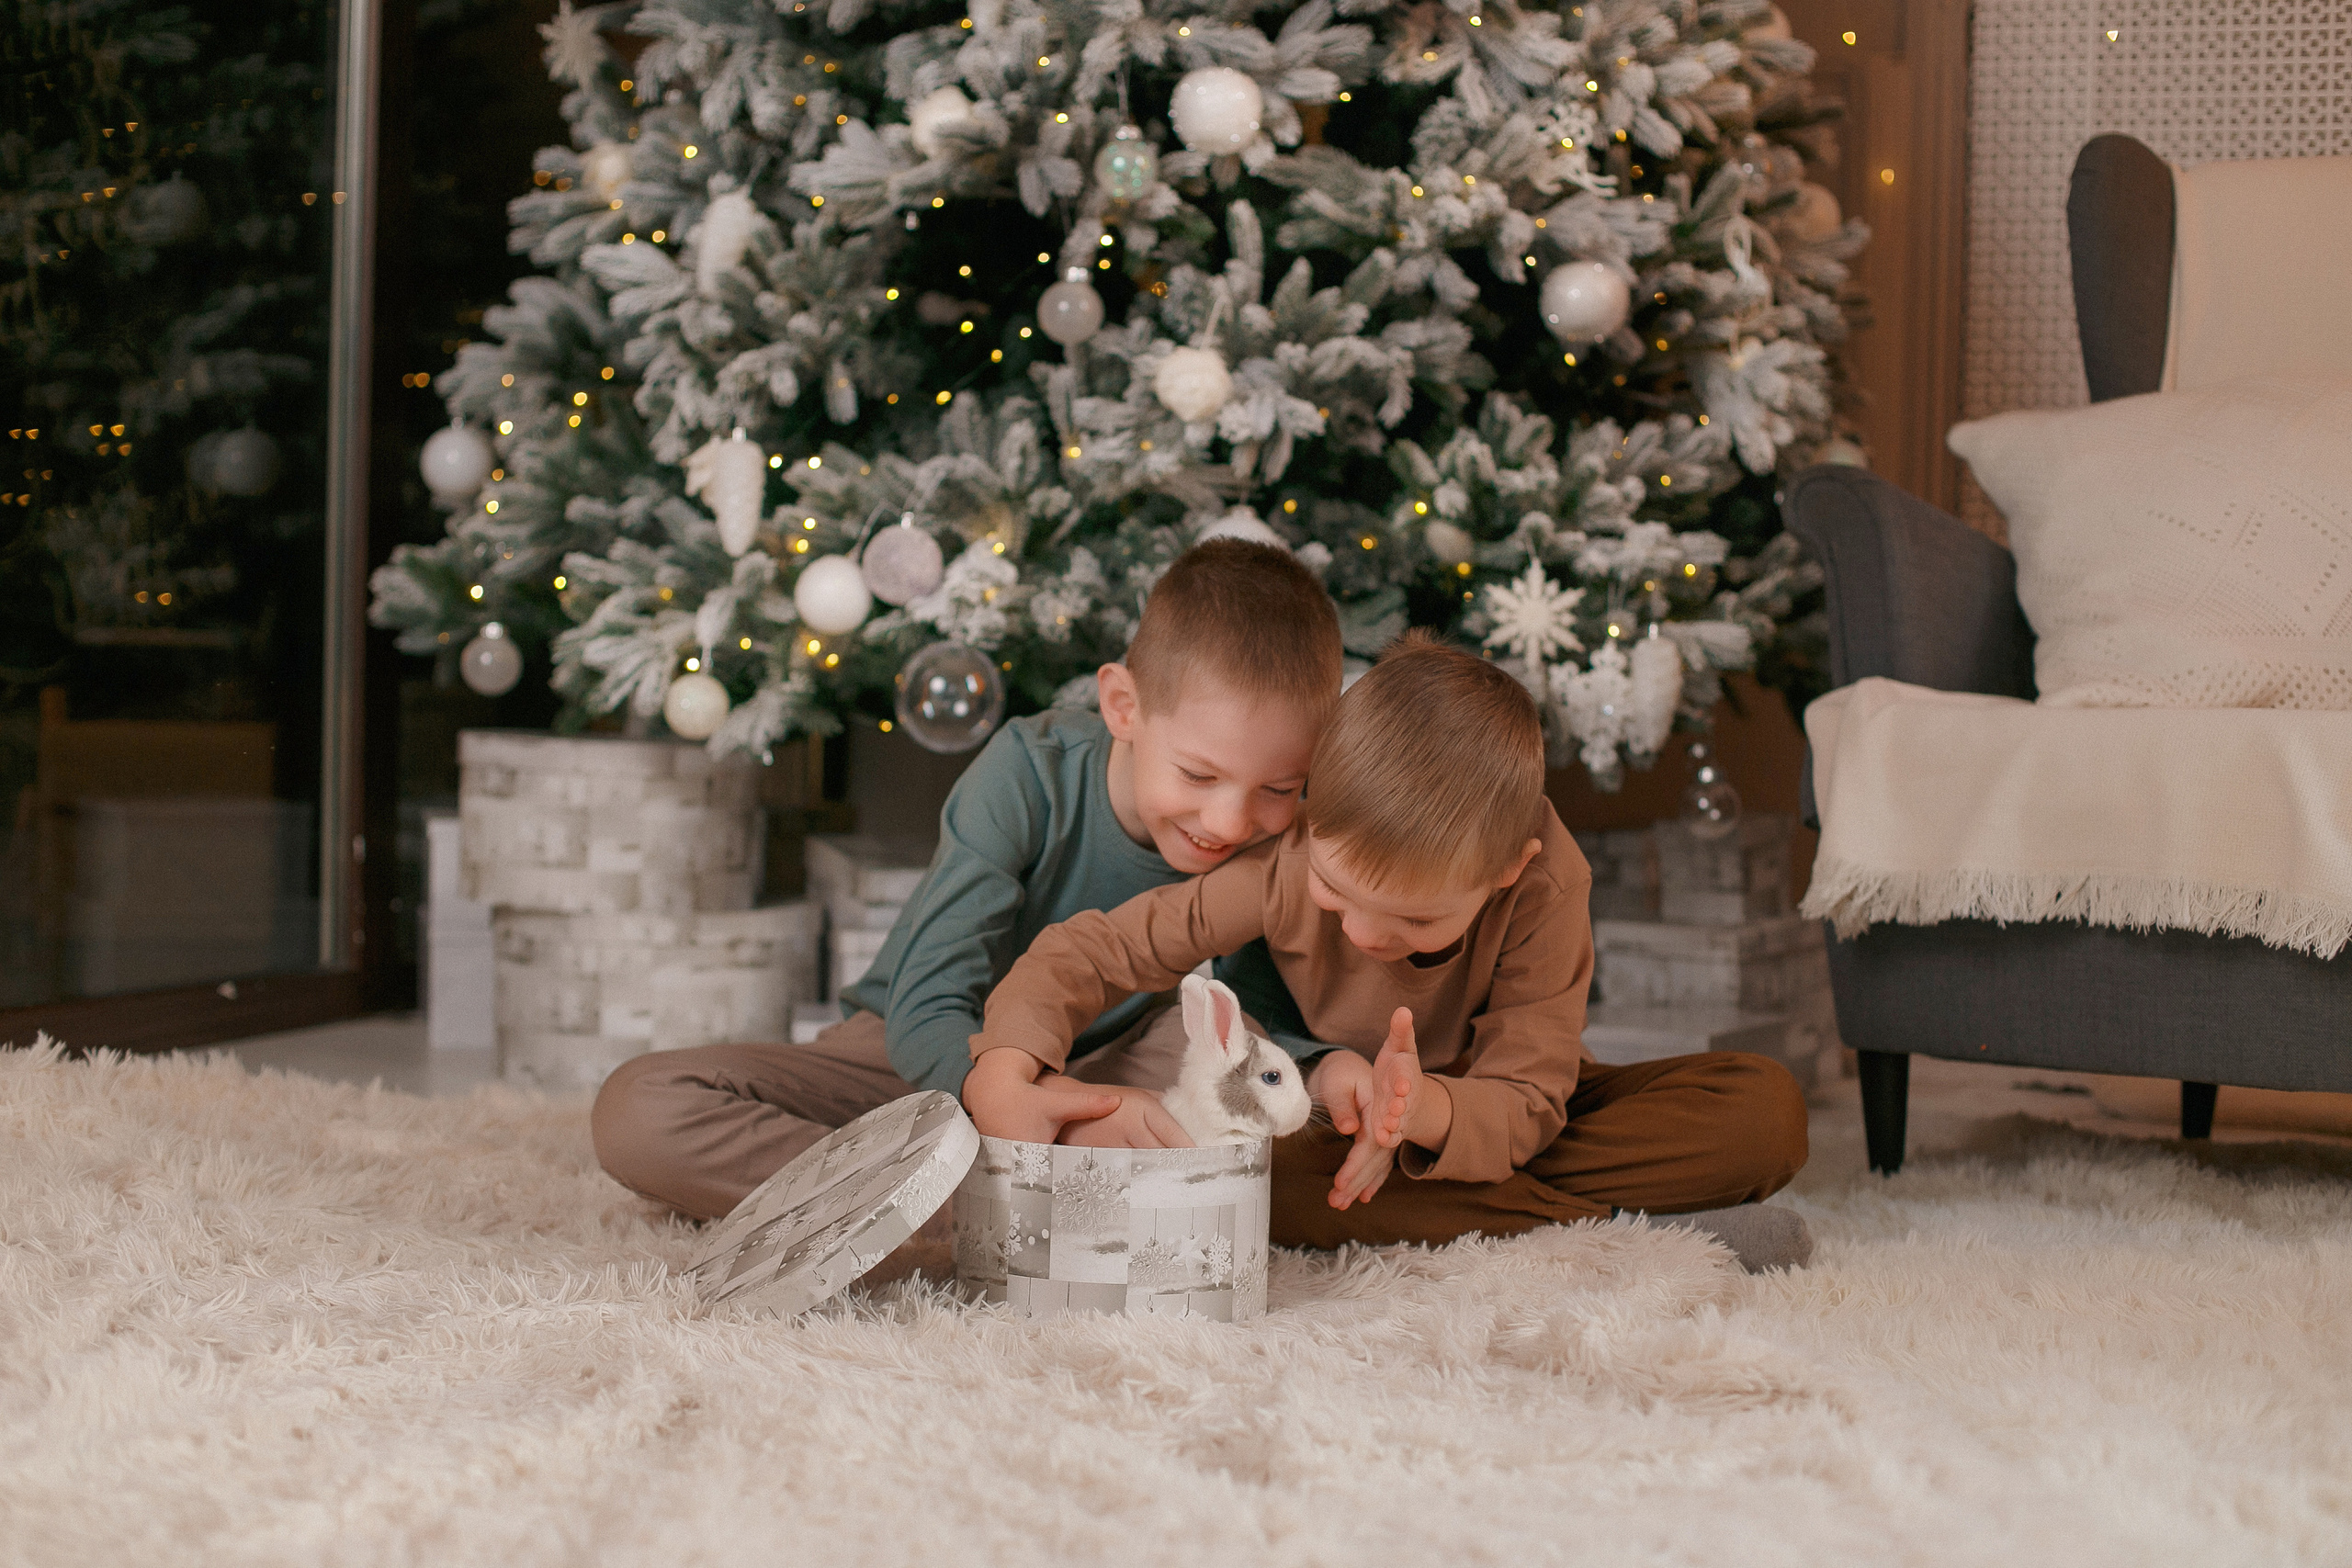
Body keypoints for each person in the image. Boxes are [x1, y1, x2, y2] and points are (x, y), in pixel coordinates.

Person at [963, 631, 1815, 1271]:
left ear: (1503, 872)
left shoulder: (1544, 885)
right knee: (1262, 1170)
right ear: (1311, 820)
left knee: (1763, 1112)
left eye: (1412, 922)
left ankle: (1546, 1215)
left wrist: (1422, 1112)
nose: (1366, 936)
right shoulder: (1290, 857)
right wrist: (1003, 1066)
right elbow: (1094, 950)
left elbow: (1529, 1097)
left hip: (1484, 1112)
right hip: (1330, 1126)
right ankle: (1640, 1224)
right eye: (1337, 894)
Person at [590, 538, 1344, 1219]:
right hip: (920, 1054)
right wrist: (1014, 1100)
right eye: (1198, 774)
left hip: (1103, 1073)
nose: (1231, 819)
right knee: (641, 1108)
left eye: (1280, 788)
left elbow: (1251, 1020)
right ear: (1123, 706)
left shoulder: (1271, 843)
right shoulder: (1029, 773)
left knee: (1256, 1104)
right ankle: (983, 1202)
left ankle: (999, 1199)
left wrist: (1323, 1067)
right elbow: (928, 997)